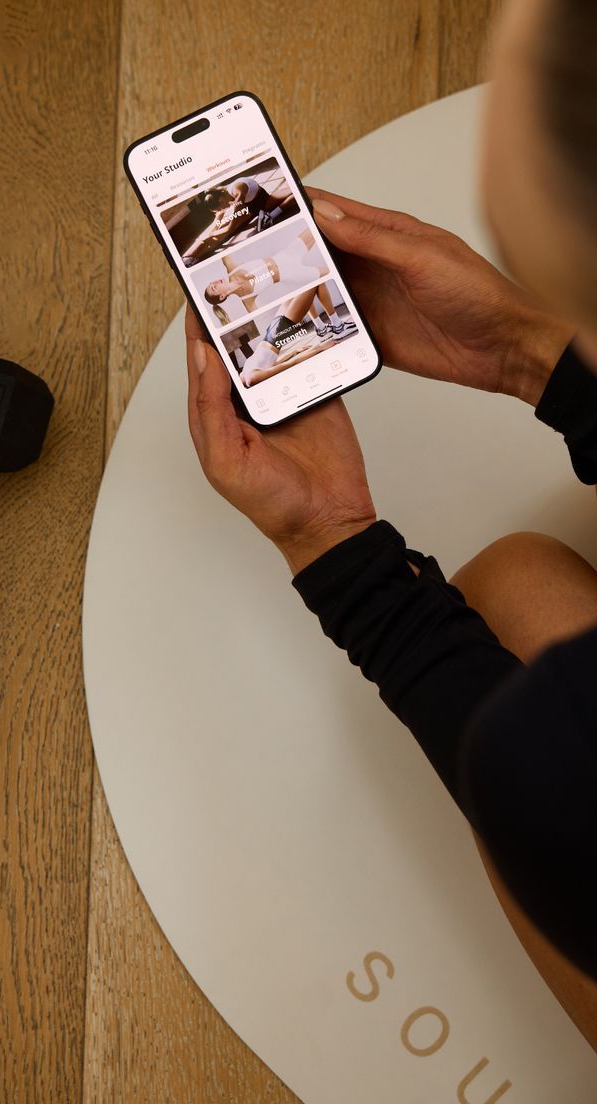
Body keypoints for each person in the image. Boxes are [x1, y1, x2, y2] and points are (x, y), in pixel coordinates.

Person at [184, 0, 597, 1046]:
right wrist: (531, 354)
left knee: (511, 618)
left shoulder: (555, 750)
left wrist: (335, 548)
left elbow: (555, 797)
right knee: (517, 582)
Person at [203, 227, 330, 322]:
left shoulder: (231, 268)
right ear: (222, 297)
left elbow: (220, 244)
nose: (215, 282)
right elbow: (261, 318)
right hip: (292, 274)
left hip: (287, 255)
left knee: (315, 226)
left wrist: (211, 235)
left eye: (211, 283)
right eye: (214, 287)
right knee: (329, 272)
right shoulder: (247, 299)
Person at [182, 175, 292, 266]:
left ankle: (272, 214)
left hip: (263, 202)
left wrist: (211, 234)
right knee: (217, 230)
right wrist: (214, 227)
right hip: (249, 207)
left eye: (220, 208)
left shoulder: (237, 195)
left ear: (221, 200)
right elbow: (220, 217)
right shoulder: (224, 191)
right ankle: (190, 256)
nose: (222, 210)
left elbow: (230, 228)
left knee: (224, 232)